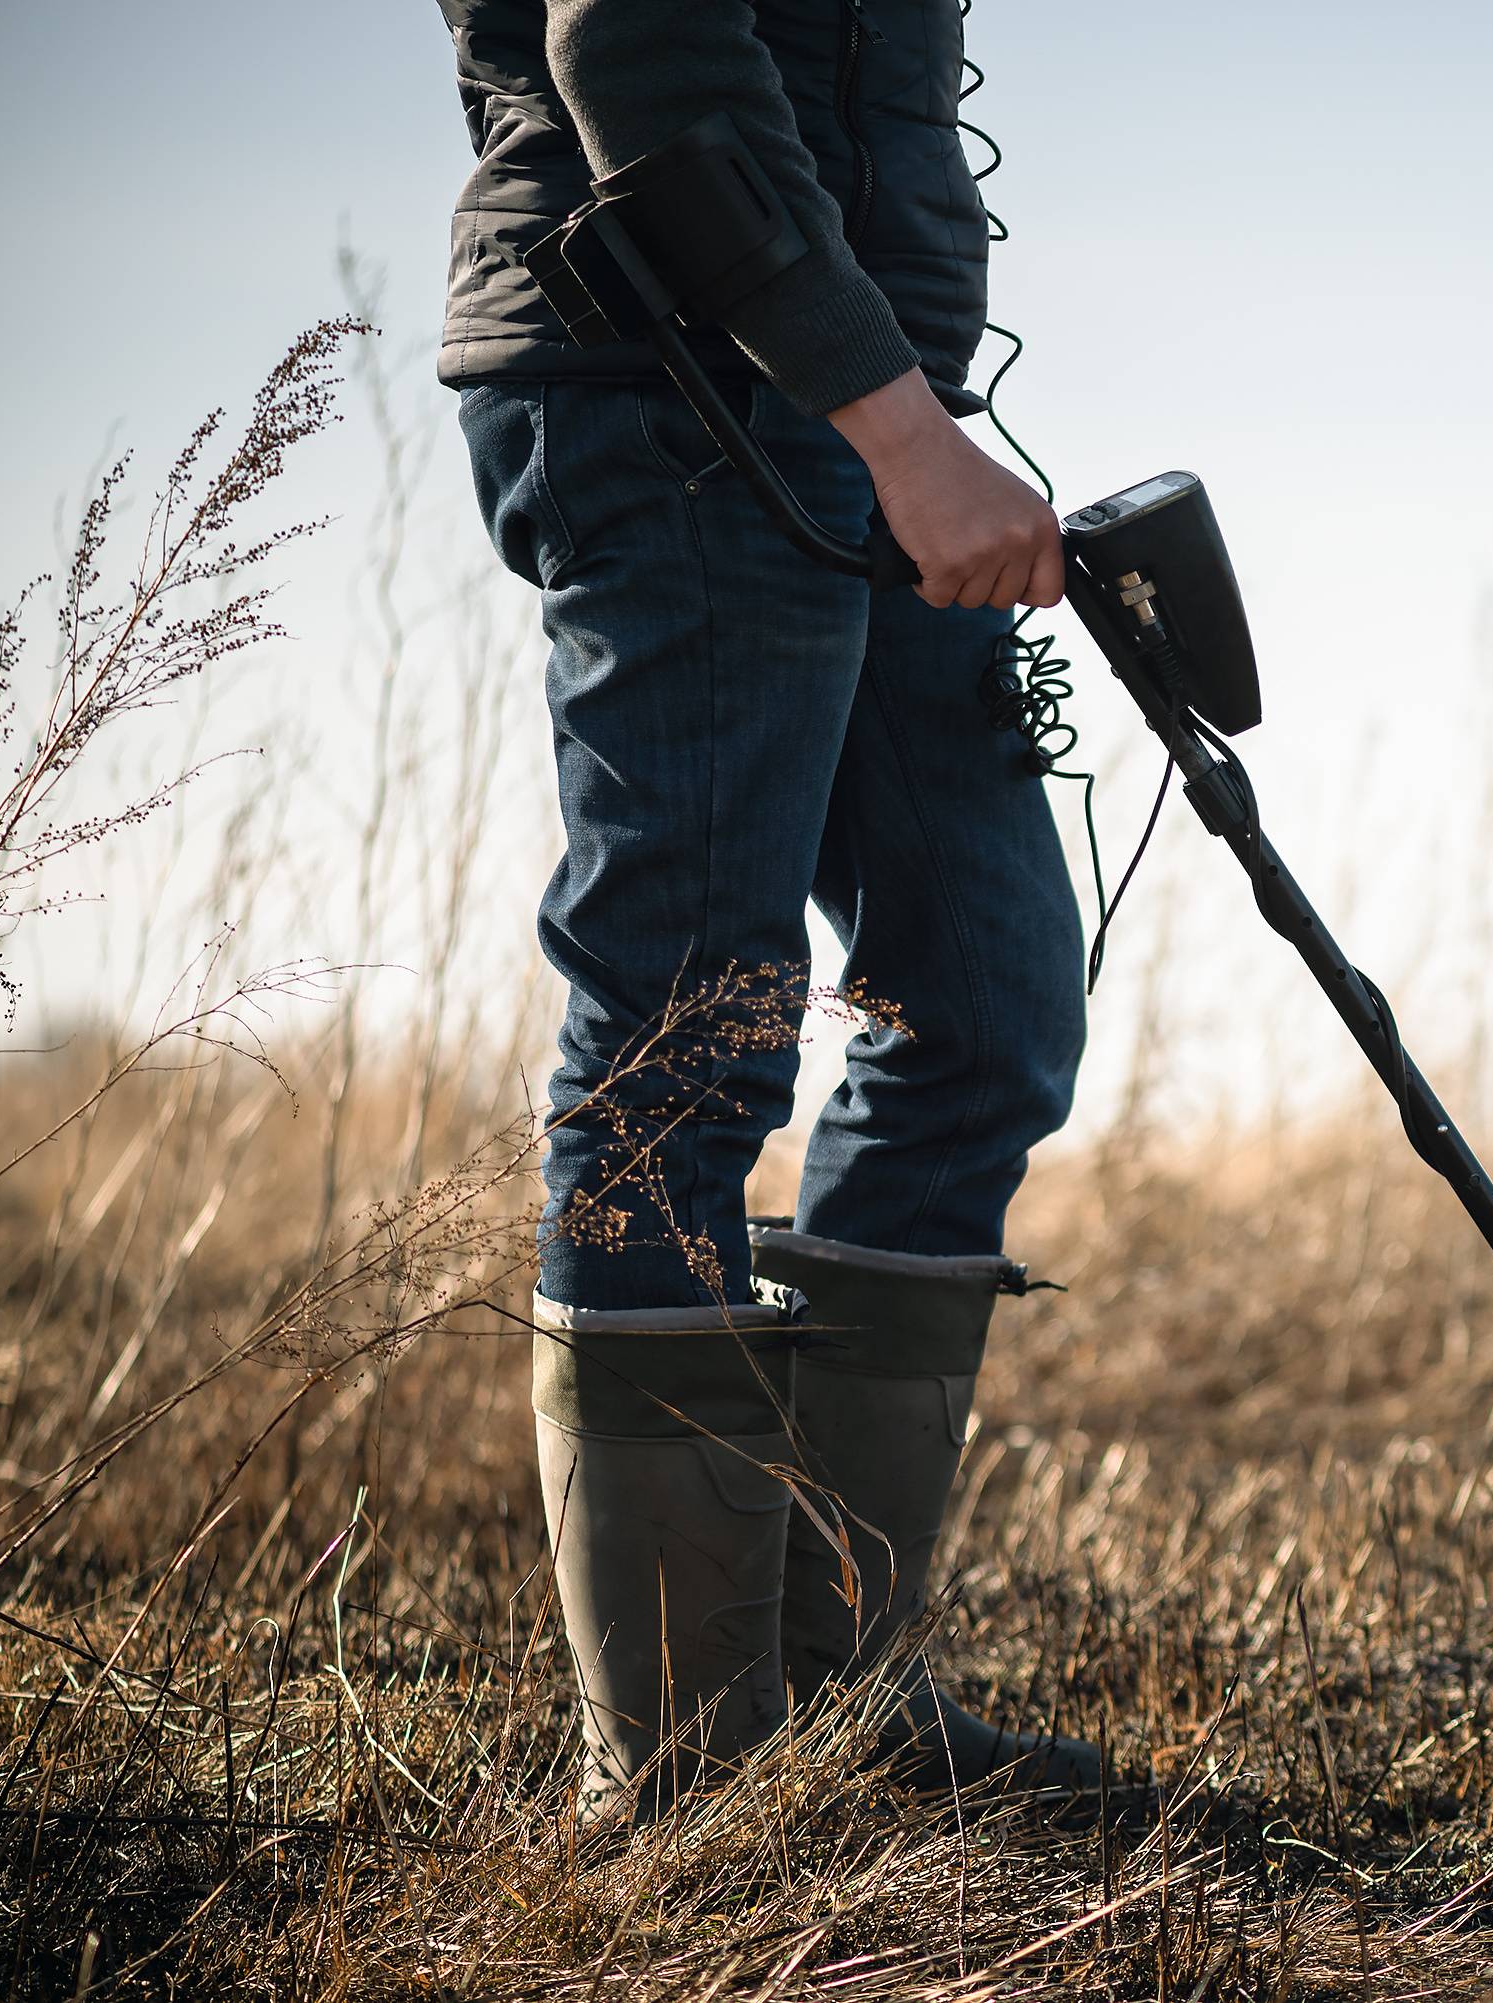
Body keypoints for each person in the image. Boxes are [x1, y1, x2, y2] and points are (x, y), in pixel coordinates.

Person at [433, 0, 1096, 1821]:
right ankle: (680, 1777)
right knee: (689, 1034)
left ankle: (828, 1702)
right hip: (668, 383)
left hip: (862, 408)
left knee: (983, 1006)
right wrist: (896, 428)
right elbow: (639, 45)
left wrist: (903, 415)